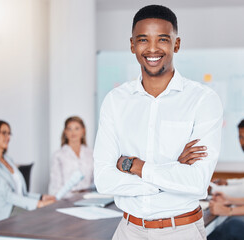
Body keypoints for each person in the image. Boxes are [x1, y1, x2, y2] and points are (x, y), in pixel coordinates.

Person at [94, 5, 223, 240]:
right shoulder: (115, 101)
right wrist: (172, 171)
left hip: (181, 231)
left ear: (177, 44)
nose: (152, 49)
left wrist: (137, 166)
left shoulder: (203, 100)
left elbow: (196, 183)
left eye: (162, 39)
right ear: (132, 44)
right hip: (128, 230)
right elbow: (104, 180)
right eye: (143, 40)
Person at [0, 120, 56, 223]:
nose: (8, 137)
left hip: (18, 206)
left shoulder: (8, 160)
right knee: (45, 217)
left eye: (9, 133)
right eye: (4, 133)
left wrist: (41, 197)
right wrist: (38, 204)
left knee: (52, 212)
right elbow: (8, 195)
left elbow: (21, 193)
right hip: (6, 212)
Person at [49, 116, 94, 198]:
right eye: (69, 129)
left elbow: (96, 180)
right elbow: (55, 186)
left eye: (77, 128)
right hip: (66, 198)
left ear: (83, 131)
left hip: (88, 197)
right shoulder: (58, 155)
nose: (73, 132)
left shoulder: (91, 153)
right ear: (65, 132)